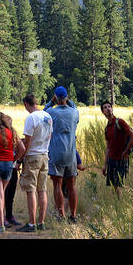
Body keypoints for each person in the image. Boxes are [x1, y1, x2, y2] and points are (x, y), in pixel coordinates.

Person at [16, 93, 52, 233]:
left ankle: (32, 224)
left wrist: (19, 160)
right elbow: (49, 135)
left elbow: (27, 142)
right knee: (42, 190)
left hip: (32, 156)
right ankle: (41, 222)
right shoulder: (47, 116)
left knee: (30, 190)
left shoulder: (31, 118)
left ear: (26, 103)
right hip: (44, 154)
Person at [45, 86, 81, 222]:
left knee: (57, 186)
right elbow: (75, 107)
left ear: (56, 98)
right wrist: (70, 101)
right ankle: (73, 215)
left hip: (56, 153)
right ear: (66, 98)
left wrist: (51, 102)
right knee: (71, 186)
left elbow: (43, 112)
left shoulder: (51, 113)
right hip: (71, 154)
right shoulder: (73, 112)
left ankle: (61, 215)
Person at [100, 101, 133, 194]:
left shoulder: (120, 122)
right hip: (111, 159)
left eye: (109, 107)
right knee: (113, 185)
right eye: (105, 107)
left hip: (121, 159)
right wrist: (105, 165)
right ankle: (116, 205)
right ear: (103, 112)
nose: (108, 109)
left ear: (112, 109)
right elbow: (108, 147)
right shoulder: (107, 128)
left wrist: (126, 152)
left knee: (117, 184)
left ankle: (119, 204)